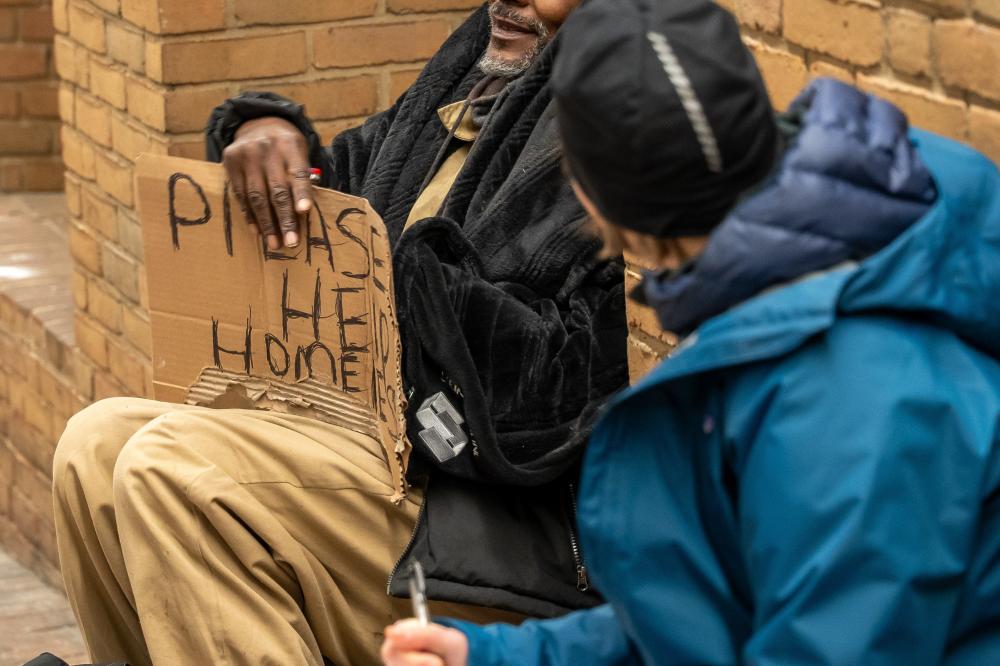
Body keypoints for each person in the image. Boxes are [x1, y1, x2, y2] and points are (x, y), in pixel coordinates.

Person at [380, 0, 1000, 663]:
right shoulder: (778, 291)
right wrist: (492, 658)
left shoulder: (853, 398)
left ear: (590, 191)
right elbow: (698, 617)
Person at [51, 1, 630, 664]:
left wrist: (424, 284)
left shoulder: (612, 114)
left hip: (501, 513)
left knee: (173, 472)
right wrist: (273, 138)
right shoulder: (473, 80)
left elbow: (562, 389)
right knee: (91, 448)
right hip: (375, 451)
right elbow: (342, 184)